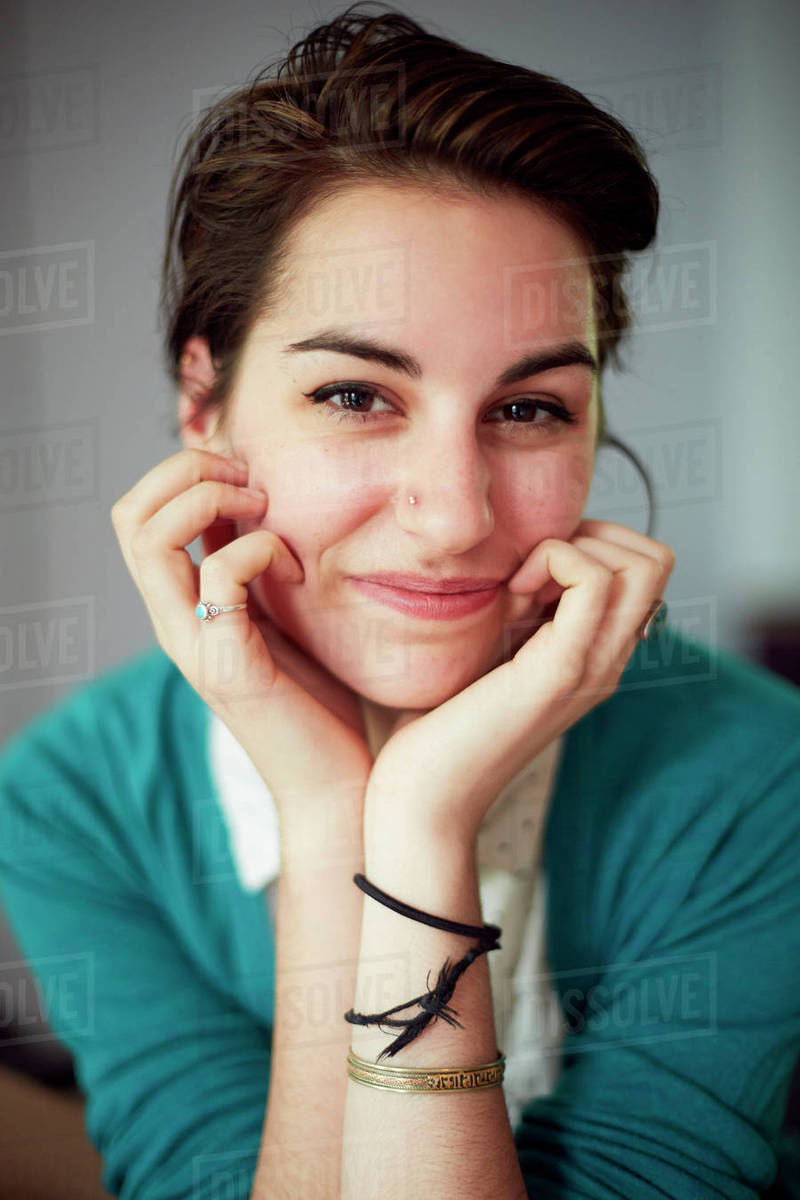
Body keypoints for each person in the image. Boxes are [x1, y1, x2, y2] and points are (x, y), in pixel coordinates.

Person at [1, 4, 799, 1197]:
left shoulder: (755, 774)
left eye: (528, 408)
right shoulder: (76, 798)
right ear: (202, 401)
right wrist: (333, 825)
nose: (455, 513)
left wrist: (418, 827)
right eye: (356, 395)